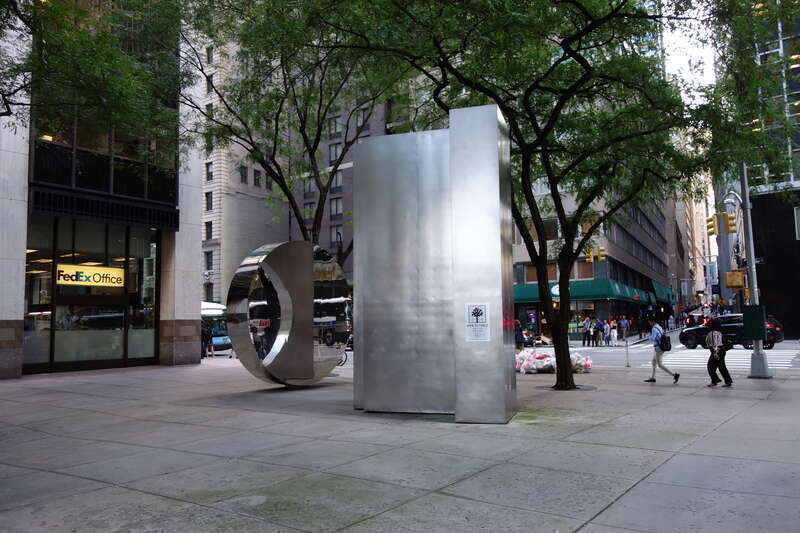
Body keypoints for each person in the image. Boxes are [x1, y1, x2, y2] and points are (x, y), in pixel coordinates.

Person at [644, 317, 679, 384]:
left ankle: (674, 375)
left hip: (658, 348)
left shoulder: (654, 328)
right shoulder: (658, 326)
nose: (649, 323)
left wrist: (648, 336)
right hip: (660, 347)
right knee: (653, 362)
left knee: (660, 364)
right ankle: (653, 378)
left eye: (650, 322)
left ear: (653, 321)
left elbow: (653, 338)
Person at [705, 319, 732, 387]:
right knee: (722, 367)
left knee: (710, 366)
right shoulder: (719, 332)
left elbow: (714, 344)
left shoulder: (711, 333)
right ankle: (727, 381)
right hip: (721, 350)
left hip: (716, 351)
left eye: (709, 325)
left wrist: (715, 353)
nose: (707, 326)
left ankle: (715, 380)